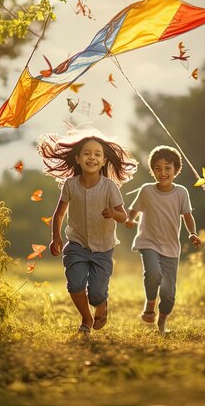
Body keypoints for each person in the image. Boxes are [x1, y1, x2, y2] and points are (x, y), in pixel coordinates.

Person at [37, 130, 138, 335]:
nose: (92, 157)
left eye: (98, 154)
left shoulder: (109, 187)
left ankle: (100, 304)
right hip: (76, 243)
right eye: (87, 153)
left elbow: (123, 216)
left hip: (103, 247)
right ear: (77, 158)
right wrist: (55, 237)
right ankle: (86, 318)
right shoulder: (70, 185)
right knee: (74, 284)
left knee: (96, 293)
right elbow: (58, 215)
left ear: (103, 161)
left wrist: (113, 213)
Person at [125, 145, 201, 333]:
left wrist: (192, 233)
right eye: (157, 168)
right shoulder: (147, 190)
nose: (163, 172)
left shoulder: (181, 192)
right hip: (148, 242)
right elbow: (135, 208)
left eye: (168, 168)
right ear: (152, 171)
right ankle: (150, 305)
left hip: (171, 248)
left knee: (168, 293)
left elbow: (187, 216)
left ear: (176, 170)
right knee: (153, 273)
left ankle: (162, 322)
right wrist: (130, 219)